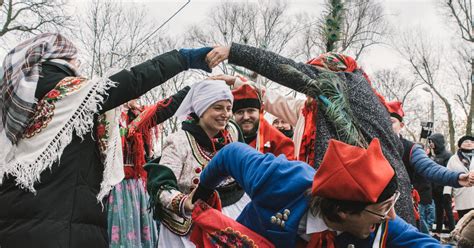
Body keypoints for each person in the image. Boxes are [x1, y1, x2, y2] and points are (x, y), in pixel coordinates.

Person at [0, 33, 212, 248]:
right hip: (62, 223)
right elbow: (133, 80)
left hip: (13, 221)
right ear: (61, 58)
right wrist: (183, 59)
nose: (78, 64)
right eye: (74, 58)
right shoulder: (71, 94)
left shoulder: (14, 105)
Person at [205, 44, 415, 223]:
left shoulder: (346, 83)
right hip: (367, 201)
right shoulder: (319, 109)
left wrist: (233, 52)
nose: (307, 89)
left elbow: (286, 69)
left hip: (375, 203)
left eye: (313, 73)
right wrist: (240, 83)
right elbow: (277, 102)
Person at [191, 139, 447, 247]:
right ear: (342, 211)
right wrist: (203, 192)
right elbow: (231, 153)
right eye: (383, 210)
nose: (392, 216)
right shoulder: (277, 179)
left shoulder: (381, 222)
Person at [145, 80, 250, 248]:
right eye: (218, 108)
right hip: (189, 225)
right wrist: (185, 202)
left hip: (232, 213)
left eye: (228, 108)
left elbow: (245, 165)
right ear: (201, 109)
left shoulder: (232, 131)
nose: (225, 114)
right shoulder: (179, 141)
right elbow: (161, 186)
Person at [107, 87, 190, 248]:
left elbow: (163, 109)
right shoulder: (112, 116)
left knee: (142, 231)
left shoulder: (140, 114)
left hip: (139, 185)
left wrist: (189, 90)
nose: (135, 99)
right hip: (116, 185)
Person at [385, 101, 474, 233]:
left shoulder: (411, 148)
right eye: (383, 120)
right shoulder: (366, 143)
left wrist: (457, 177)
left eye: (391, 121)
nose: (386, 125)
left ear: (401, 125)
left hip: (403, 209)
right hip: (372, 213)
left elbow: (430, 167)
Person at [231, 84, 294, 159]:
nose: (246, 117)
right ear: (234, 114)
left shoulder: (281, 143)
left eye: (251, 111)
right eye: (240, 112)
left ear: (260, 112)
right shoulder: (227, 137)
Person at [428, 133, 456, 234]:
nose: (431, 144)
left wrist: (448, 190)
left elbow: (450, 173)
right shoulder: (433, 156)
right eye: (430, 142)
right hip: (435, 189)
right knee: (438, 211)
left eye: (432, 142)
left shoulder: (448, 155)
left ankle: (453, 232)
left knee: (448, 211)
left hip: (445, 189)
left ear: (438, 142)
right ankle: (438, 232)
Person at [444, 135, 474, 220]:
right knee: (464, 221)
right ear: (460, 144)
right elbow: (448, 175)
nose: (469, 143)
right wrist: (447, 193)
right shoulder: (453, 159)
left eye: (472, 142)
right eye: (466, 142)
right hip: (461, 194)